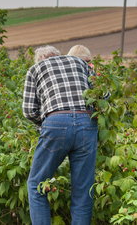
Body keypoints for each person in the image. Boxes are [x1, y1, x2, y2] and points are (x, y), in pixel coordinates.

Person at [22, 45, 98, 225]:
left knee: (36, 185)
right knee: (83, 189)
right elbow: (103, 94)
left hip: (55, 122)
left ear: (39, 60)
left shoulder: (35, 69)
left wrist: (47, 123)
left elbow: (28, 110)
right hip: (87, 123)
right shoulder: (80, 63)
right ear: (59, 56)